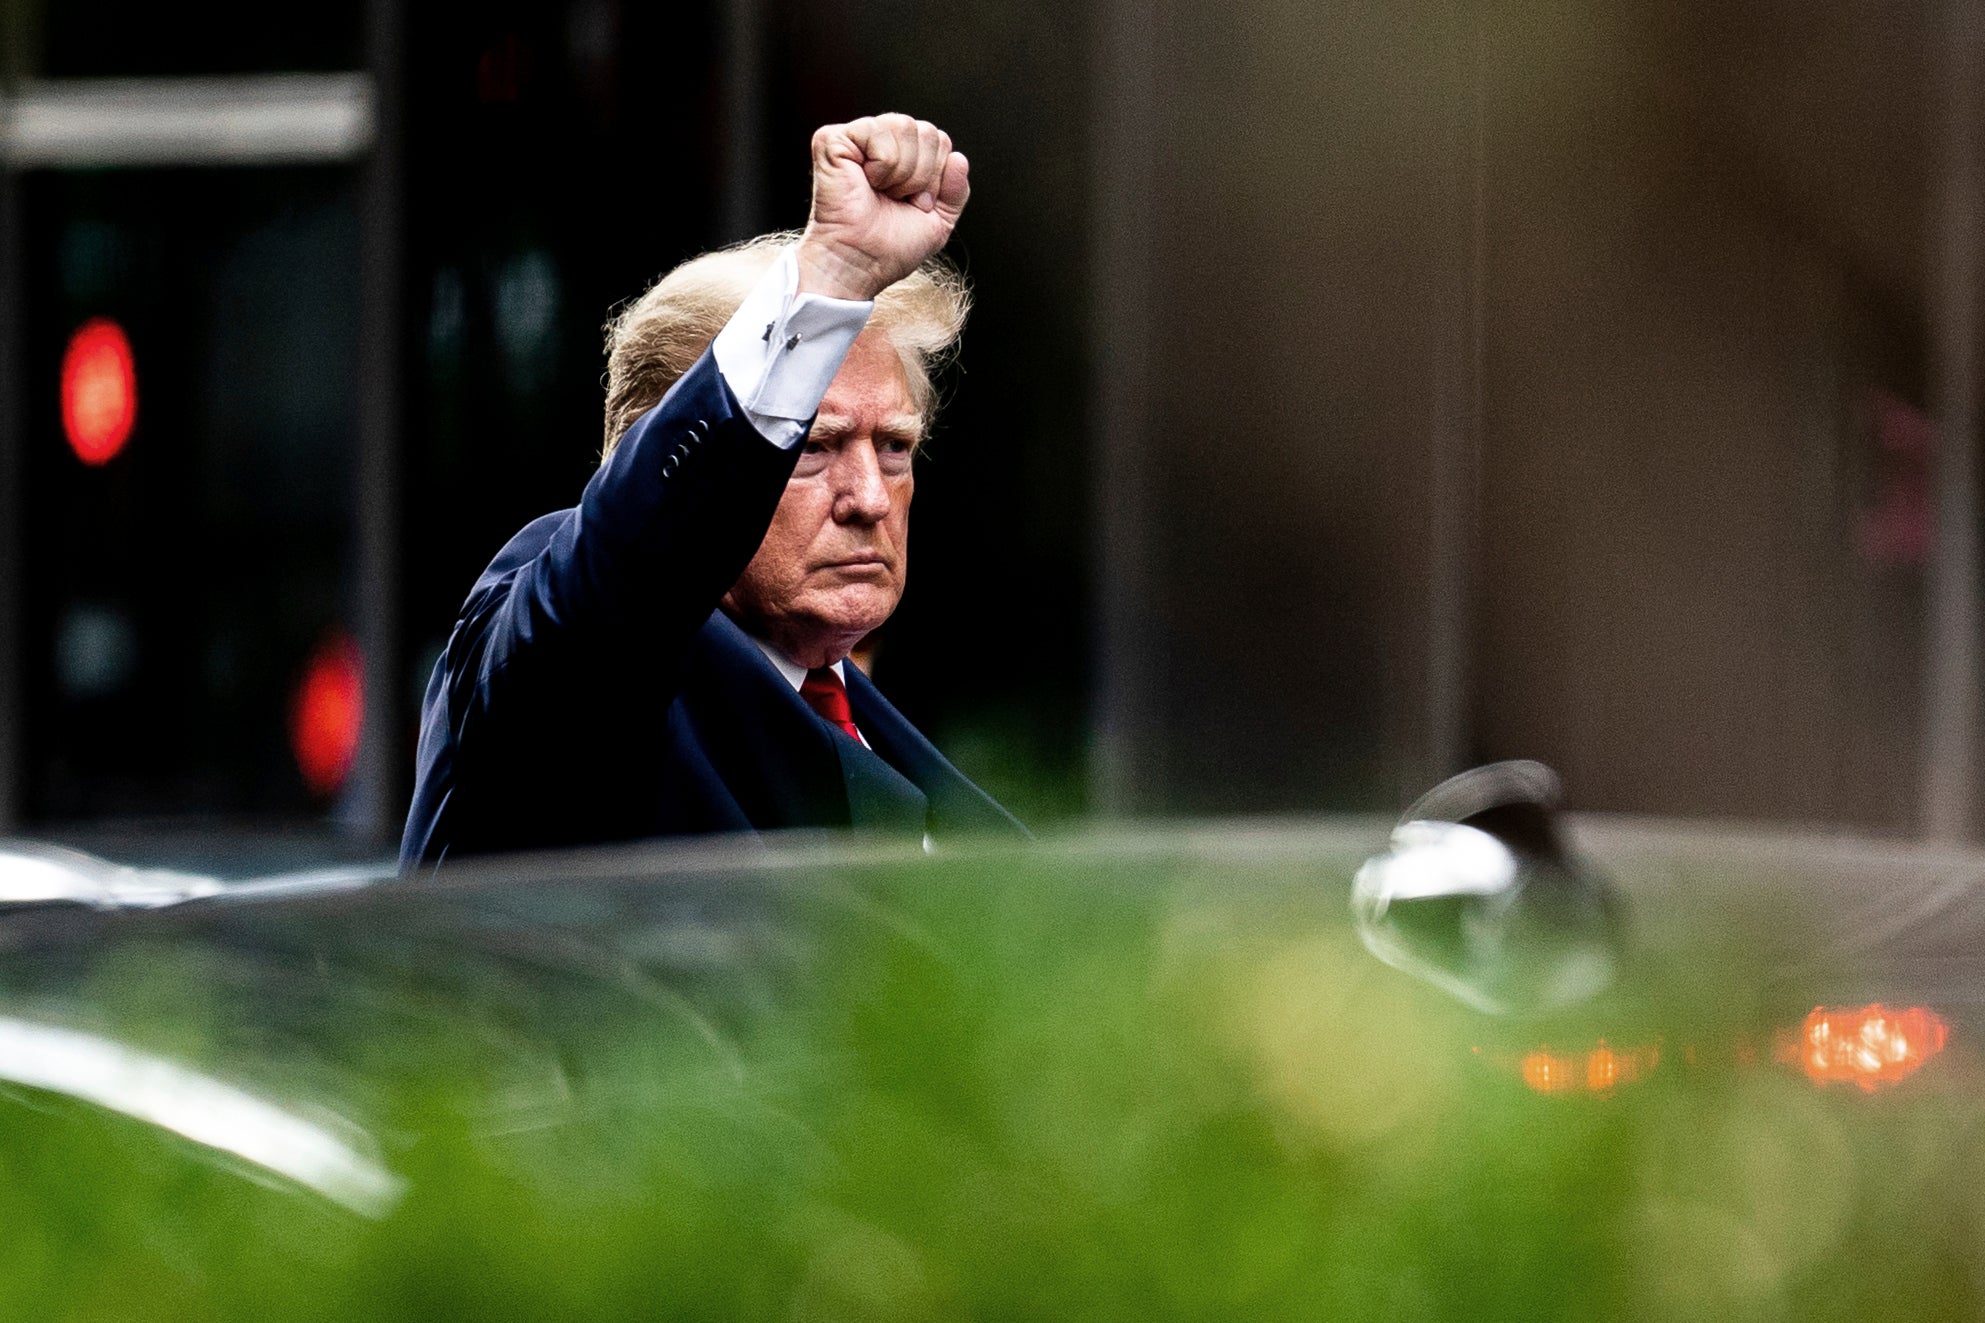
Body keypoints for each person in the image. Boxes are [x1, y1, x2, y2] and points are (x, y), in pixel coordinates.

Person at [400, 114, 1026, 870]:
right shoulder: (583, 656)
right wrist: (827, 283)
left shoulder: (869, 723)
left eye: (893, 447)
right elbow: (620, 577)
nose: (868, 496)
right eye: (812, 447)